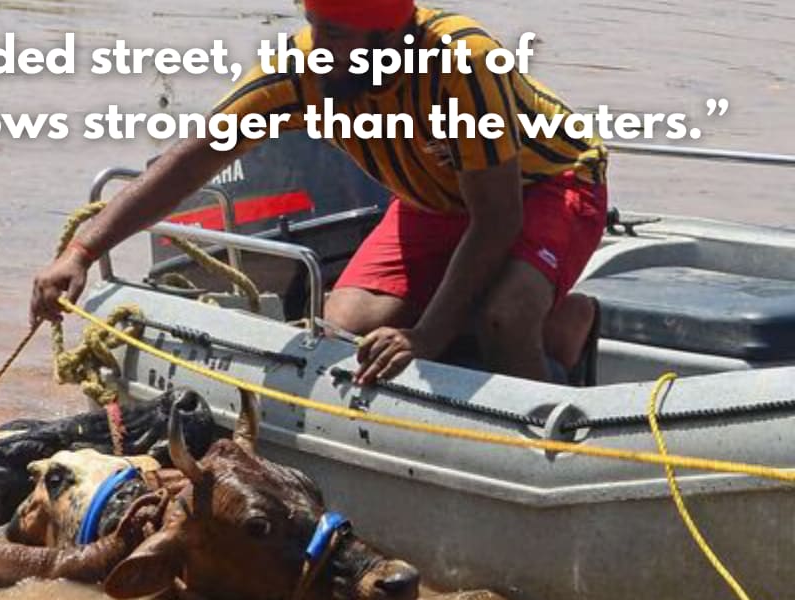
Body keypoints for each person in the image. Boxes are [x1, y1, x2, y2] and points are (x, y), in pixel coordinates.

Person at [31, 0, 608, 385]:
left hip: (544, 185)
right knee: (343, 323)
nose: (318, 46)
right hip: (432, 196)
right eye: (315, 28)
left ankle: (553, 352)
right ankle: (524, 320)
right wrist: (81, 250)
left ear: (391, 38)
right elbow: (195, 160)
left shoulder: (461, 64)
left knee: (505, 318)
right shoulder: (302, 72)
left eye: (335, 34)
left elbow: (497, 220)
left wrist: (426, 336)